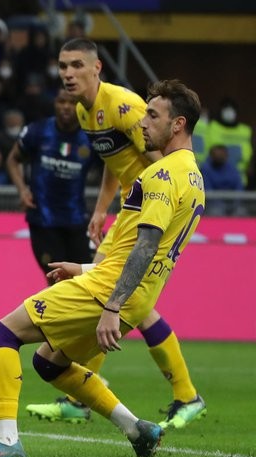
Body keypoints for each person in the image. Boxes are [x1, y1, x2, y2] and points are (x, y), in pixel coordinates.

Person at [0, 80, 206, 457]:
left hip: (109, 293)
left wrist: (110, 305)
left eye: (153, 116)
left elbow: (146, 245)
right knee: (48, 362)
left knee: (3, 333)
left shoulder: (161, 176)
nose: (143, 123)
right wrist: (85, 267)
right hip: (134, 295)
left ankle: (5, 441)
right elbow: (144, 252)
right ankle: (137, 429)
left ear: (178, 124)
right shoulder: (193, 177)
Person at [23, 40, 205, 429]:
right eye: (62, 66)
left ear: (97, 68)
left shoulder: (124, 105)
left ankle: (182, 395)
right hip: (127, 209)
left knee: (120, 298)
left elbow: (162, 161)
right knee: (123, 299)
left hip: (144, 211)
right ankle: (179, 394)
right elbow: (114, 160)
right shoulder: (88, 112)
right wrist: (101, 208)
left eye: (75, 65)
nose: (67, 74)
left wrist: (154, 212)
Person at [6, 92, 95, 273]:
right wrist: (22, 190)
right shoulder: (37, 131)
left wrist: (101, 207)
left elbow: (112, 169)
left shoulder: (91, 137)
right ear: (55, 103)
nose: (66, 107)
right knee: (55, 279)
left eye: (72, 102)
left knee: (86, 281)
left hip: (77, 220)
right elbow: (13, 160)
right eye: (61, 101)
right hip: (42, 221)